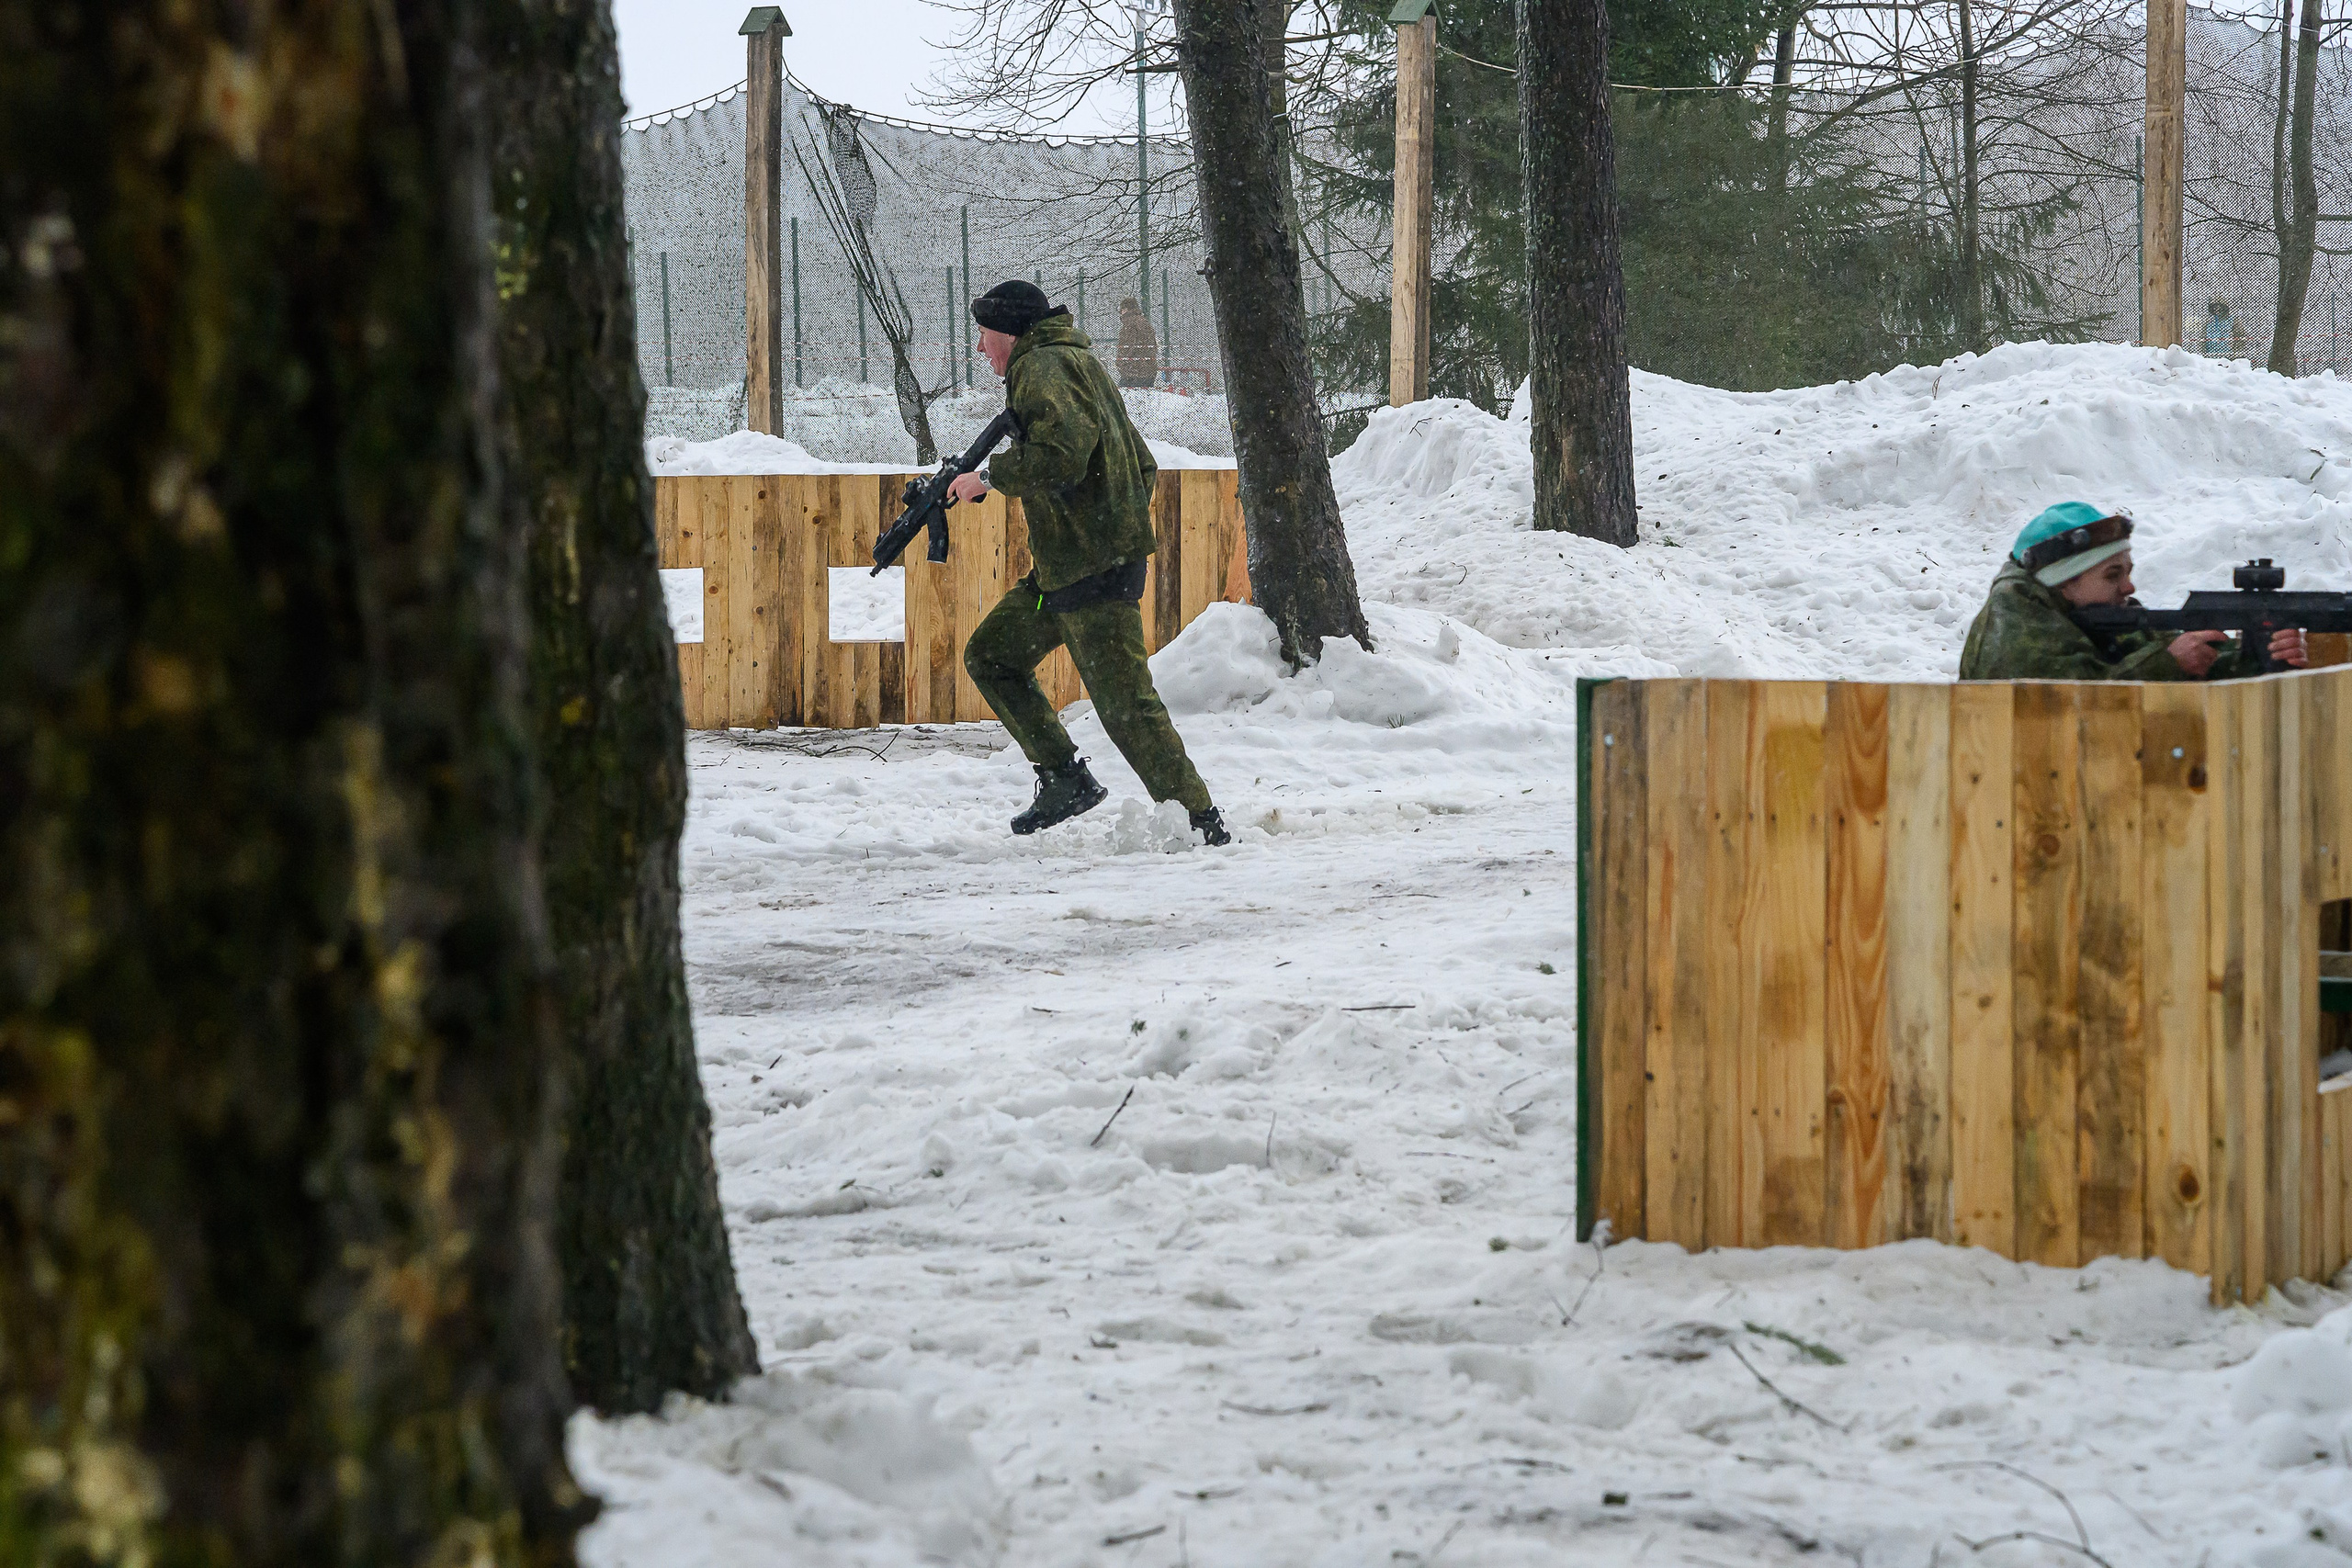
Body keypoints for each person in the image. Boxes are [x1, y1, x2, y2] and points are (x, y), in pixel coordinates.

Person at [946, 280, 1229, 845]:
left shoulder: (1043, 368)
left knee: (1125, 705)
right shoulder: (1074, 360)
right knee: (992, 654)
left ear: (1007, 332)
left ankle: (1200, 822)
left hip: (1092, 568)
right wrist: (1109, 521)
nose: (981, 349)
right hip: (1073, 565)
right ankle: (1064, 776)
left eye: (984, 335)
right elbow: (1140, 460)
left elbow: (1061, 454)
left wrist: (988, 478)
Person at [1958, 501, 2308, 681]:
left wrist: (2260, 655)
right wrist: (2167, 664)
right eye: (2113, 575)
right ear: (2064, 582)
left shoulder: (2099, 615)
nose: (2129, 586)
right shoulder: (2010, 629)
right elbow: (2071, 703)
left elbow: (2166, 656)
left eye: (2127, 572)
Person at [1115, 295, 1159, 389]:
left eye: (1121, 310)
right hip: (1147, 369)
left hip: (1134, 372)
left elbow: (1128, 347)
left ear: (1127, 309)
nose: (1121, 313)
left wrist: (1122, 362)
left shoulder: (1130, 324)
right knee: (1143, 398)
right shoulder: (1143, 322)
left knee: (1124, 398)